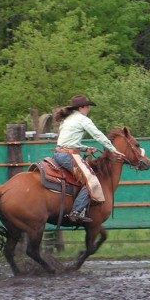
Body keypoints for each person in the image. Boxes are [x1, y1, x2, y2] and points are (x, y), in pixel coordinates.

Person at [51, 95, 125, 225]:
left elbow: (67, 142)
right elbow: (98, 135)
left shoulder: (67, 119)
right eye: (87, 107)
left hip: (58, 154)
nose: (88, 109)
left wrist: (85, 148)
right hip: (68, 156)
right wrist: (112, 149)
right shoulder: (83, 120)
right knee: (91, 181)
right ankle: (76, 211)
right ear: (81, 107)